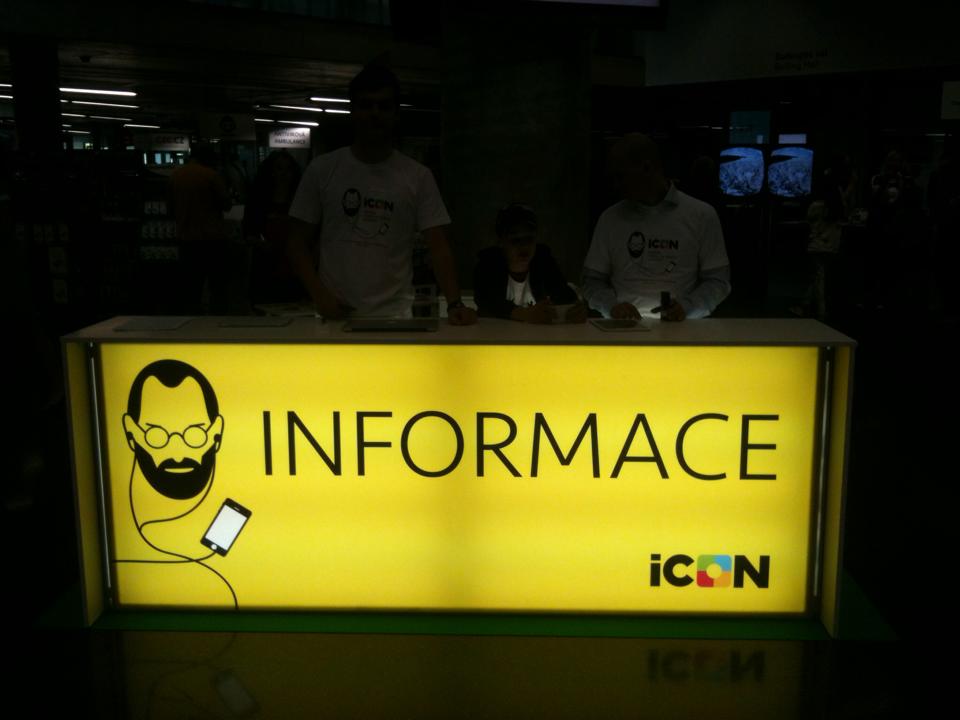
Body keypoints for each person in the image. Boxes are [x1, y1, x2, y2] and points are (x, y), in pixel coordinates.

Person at [286, 65, 477, 324]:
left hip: (395, 318)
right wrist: (319, 295)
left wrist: (455, 303)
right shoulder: (323, 169)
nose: (374, 113)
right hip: (336, 316)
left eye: (384, 106)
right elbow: (296, 241)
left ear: (396, 114)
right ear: (353, 110)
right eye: (366, 105)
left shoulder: (417, 176)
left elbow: (438, 247)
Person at [582, 134, 731, 321]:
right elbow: (592, 281)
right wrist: (612, 307)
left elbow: (718, 281)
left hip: (681, 329)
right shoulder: (610, 219)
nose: (616, 185)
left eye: (621, 176)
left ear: (647, 167)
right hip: (624, 330)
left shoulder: (701, 215)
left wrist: (687, 308)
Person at [473, 204, 587, 323]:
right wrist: (524, 314)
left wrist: (575, 309)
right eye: (515, 240)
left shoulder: (543, 260)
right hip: (497, 333)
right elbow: (487, 302)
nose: (524, 246)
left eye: (529, 238)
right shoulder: (488, 264)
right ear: (501, 242)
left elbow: (563, 294)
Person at [168, 144, 232, 313]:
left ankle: (192, 318)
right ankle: (217, 319)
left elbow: (170, 207)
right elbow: (226, 204)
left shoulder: (176, 175)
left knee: (191, 286)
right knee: (217, 286)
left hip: (186, 239)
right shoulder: (211, 175)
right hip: (212, 239)